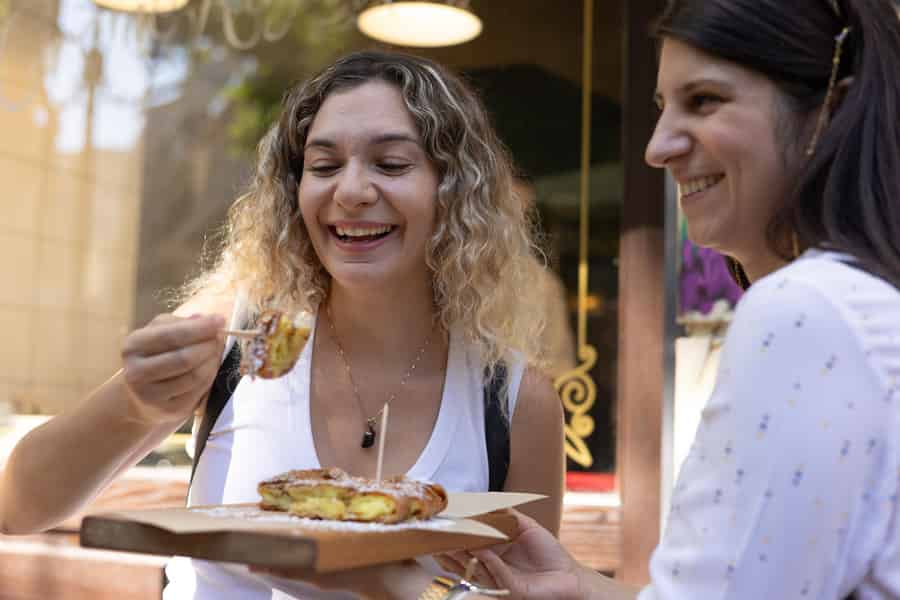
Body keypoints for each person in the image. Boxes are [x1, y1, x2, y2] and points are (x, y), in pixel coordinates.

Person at [0, 51, 565, 599]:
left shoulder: (512, 402)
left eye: (391, 164)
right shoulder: (233, 331)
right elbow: (19, 506)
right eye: (323, 167)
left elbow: (526, 595)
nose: (351, 191)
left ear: (454, 190)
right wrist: (139, 403)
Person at [431, 0, 900, 598]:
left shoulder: (807, 310)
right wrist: (576, 586)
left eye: (704, 100)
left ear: (829, 110)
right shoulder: (857, 299)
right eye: (662, 108)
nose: (658, 147)